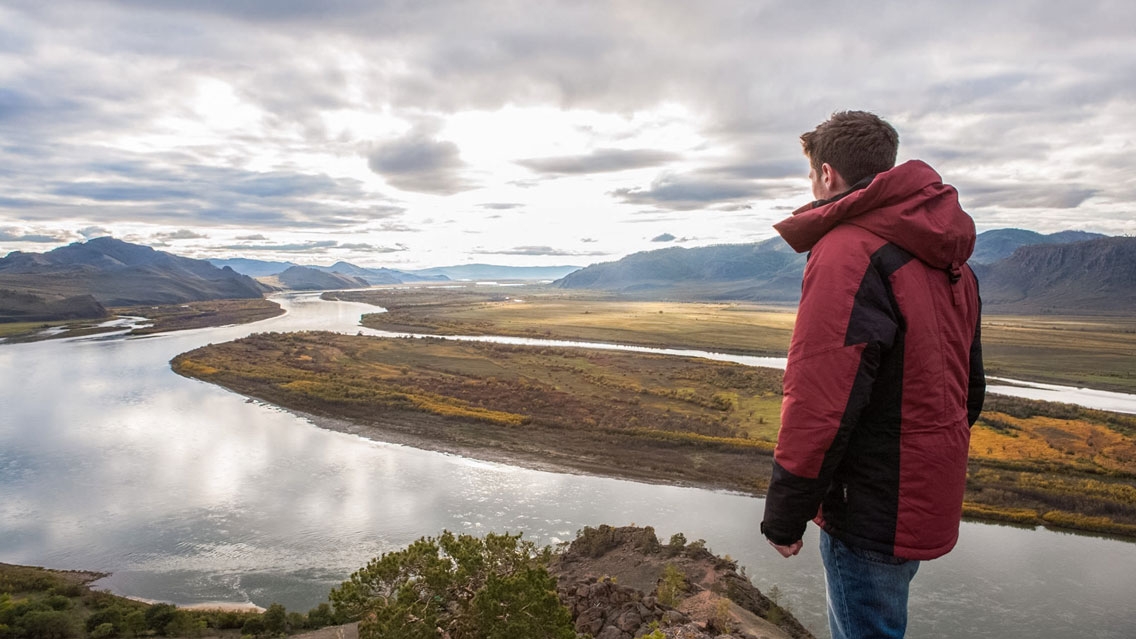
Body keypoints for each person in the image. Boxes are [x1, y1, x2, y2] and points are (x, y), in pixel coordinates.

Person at [760, 111, 985, 639]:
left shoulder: (847, 252)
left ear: (828, 175)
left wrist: (786, 513)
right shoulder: (948, 255)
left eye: (812, 175)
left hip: (868, 501)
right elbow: (969, 388)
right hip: (920, 489)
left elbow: (820, 400)